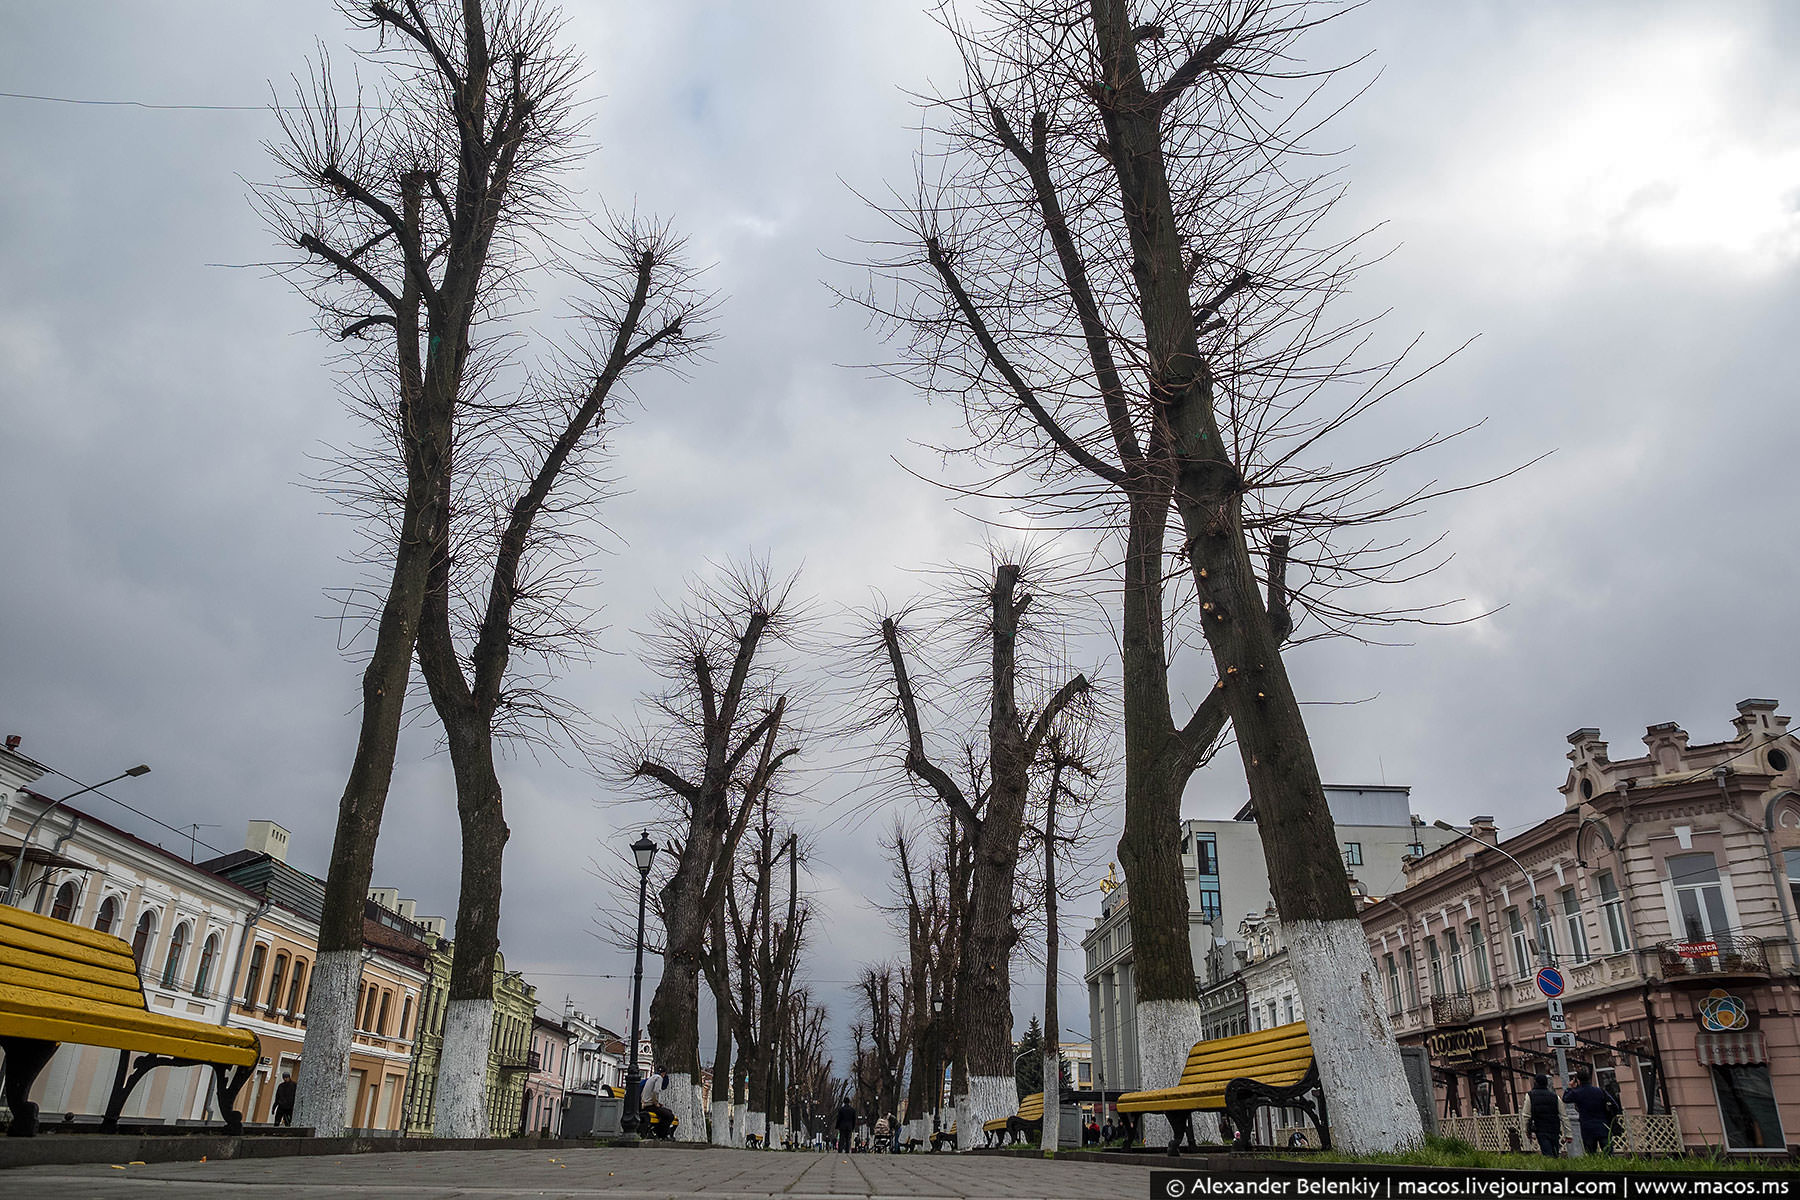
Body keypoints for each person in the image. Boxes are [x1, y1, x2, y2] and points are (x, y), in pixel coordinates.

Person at [1564, 1068, 1622, 1155]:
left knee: (1591, 1154)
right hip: (1603, 1126)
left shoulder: (1577, 1093)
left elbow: (1565, 1099)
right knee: (1608, 1153)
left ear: (1578, 1081)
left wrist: (1570, 1087)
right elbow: (1615, 1106)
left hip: (1587, 1128)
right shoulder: (1600, 1091)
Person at [1527, 1074, 1562, 1157]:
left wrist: (1527, 1130)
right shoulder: (1555, 1096)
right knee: (1555, 1150)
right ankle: (1558, 1166)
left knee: (1547, 1152)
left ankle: (1551, 1167)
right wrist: (1568, 1133)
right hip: (1554, 1127)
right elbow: (1563, 1114)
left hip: (1541, 1128)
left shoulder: (1531, 1095)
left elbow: (1526, 1115)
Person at [639, 1065, 673, 1132]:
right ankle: (661, 1133)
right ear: (664, 1073)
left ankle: (657, 1130)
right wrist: (656, 1103)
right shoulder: (659, 1078)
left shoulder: (652, 1077)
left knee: (666, 1112)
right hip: (649, 1105)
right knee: (669, 1116)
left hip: (644, 1103)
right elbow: (656, 1091)